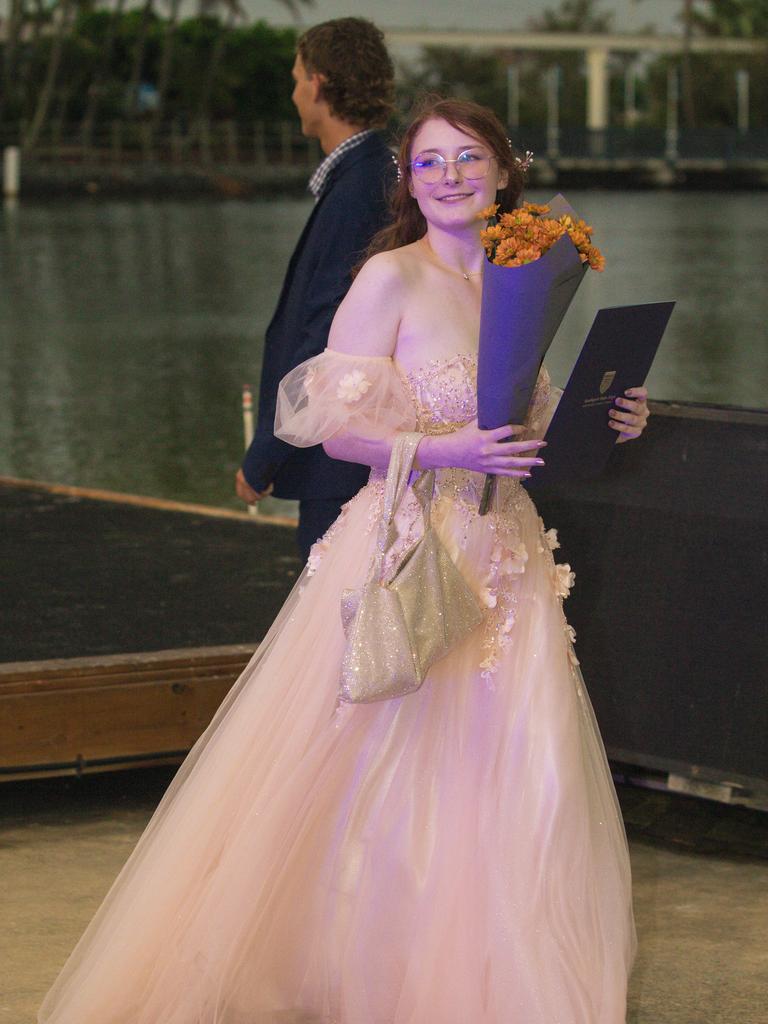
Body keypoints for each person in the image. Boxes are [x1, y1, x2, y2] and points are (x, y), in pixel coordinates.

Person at [39, 97, 650, 1024]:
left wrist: (610, 415)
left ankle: (496, 969)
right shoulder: (387, 279)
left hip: (505, 553)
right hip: (406, 541)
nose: (450, 175)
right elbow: (339, 434)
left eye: (469, 156)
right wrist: (450, 454)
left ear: (503, 172)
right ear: (407, 179)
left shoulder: (518, 275)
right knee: (379, 758)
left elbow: (533, 417)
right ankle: (360, 961)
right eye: (430, 161)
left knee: (516, 760)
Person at [236, 16, 396, 561]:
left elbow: (323, 332)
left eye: (297, 76)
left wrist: (264, 453)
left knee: (334, 621)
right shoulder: (371, 175)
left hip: (341, 459)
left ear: (320, 85)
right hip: (351, 453)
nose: (292, 90)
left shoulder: (359, 190)